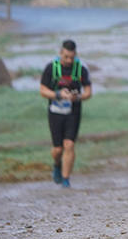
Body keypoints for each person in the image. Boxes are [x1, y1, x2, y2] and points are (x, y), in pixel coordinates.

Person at [39, 39, 93, 188]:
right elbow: (42, 91)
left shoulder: (81, 69)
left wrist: (78, 97)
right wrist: (58, 95)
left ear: (75, 55)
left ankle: (66, 180)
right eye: (66, 57)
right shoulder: (51, 68)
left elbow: (88, 92)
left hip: (73, 112)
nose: (69, 60)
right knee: (58, 149)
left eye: (72, 57)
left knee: (69, 144)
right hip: (55, 112)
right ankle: (57, 164)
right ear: (61, 53)